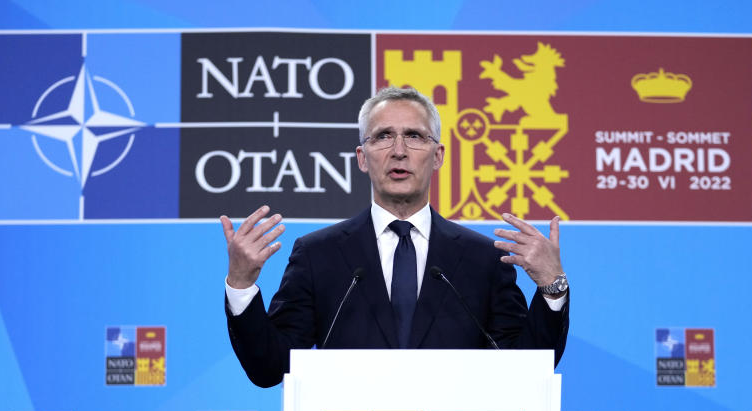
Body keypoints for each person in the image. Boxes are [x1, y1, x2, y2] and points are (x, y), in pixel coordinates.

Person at [221, 86, 569, 388]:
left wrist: (552, 286)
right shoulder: (318, 255)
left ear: (438, 156)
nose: (399, 150)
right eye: (383, 136)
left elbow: (525, 368)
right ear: (362, 157)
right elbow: (270, 368)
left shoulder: (484, 260)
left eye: (415, 136)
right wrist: (240, 284)